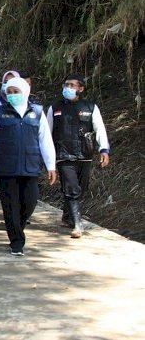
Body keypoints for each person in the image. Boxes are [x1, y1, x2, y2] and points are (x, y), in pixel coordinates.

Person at [0, 77, 57, 256]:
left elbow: (45, 140)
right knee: (10, 205)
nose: (13, 95)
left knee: (29, 202)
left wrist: (51, 166)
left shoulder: (37, 112)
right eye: (10, 92)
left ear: (25, 92)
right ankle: (16, 242)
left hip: (30, 166)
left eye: (16, 92)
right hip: (6, 167)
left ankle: (18, 228)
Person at [47, 74, 110, 238]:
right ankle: (77, 224)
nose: (68, 88)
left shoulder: (90, 107)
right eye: (66, 85)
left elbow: (99, 129)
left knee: (81, 189)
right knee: (72, 188)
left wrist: (104, 150)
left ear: (81, 89)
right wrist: (48, 159)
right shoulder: (55, 108)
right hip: (64, 155)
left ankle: (67, 216)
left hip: (85, 154)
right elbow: (46, 134)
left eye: (72, 85)